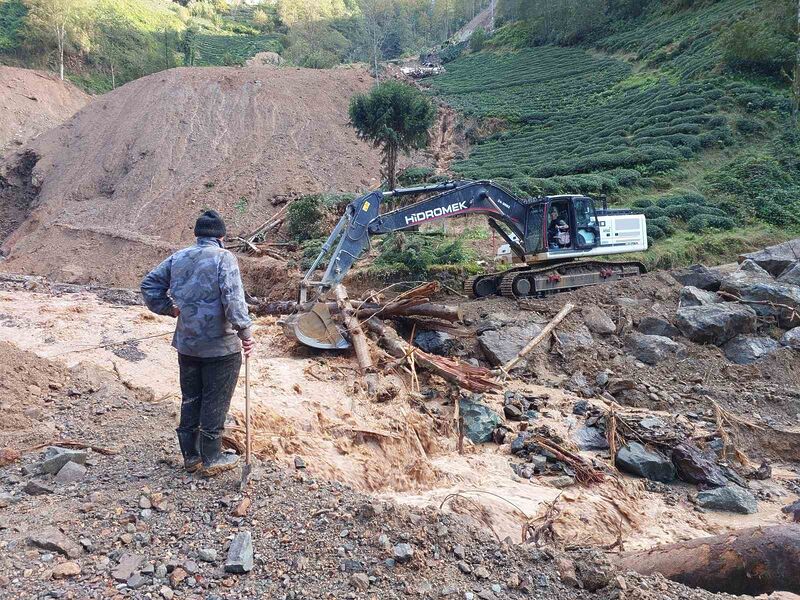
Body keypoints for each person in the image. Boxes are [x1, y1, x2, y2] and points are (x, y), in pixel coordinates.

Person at [141, 210, 255, 477]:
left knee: (191, 398)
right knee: (215, 401)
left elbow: (148, 286)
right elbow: (234, 300)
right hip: (220, 347)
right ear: (222, 237)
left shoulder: (178, 257)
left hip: (187, 344)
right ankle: (212, 457)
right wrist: (246, 334)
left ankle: (191, 456)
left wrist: (169, 309)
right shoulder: (225, 258)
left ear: (197, 235)